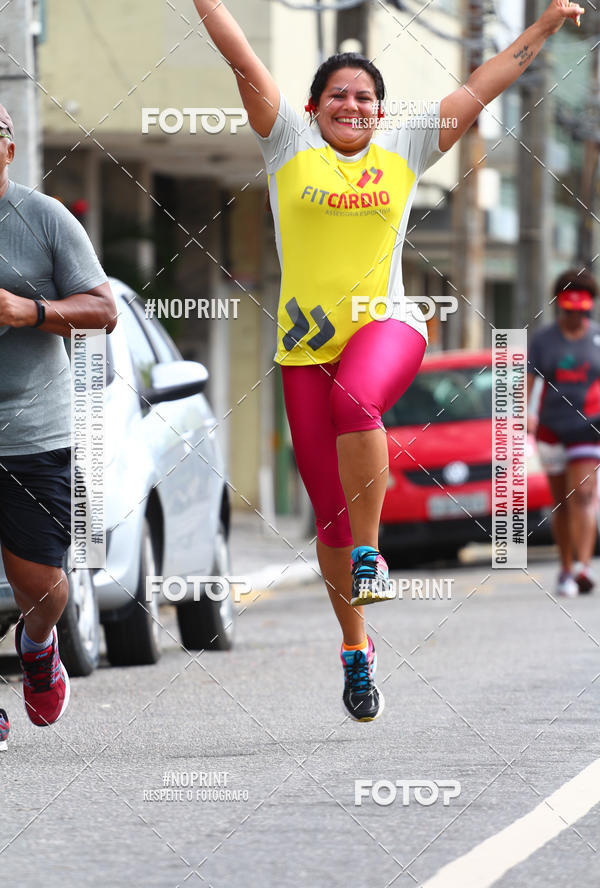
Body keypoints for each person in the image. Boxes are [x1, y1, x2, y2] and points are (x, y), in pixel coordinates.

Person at [193, 0, 584, 721]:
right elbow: (243, 59)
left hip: (389, 325)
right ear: (312, 108)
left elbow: (484, 84)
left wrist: (542, 28)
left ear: (380, 111)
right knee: (330, 522)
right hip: (304, 349)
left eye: (365, 97)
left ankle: (373, 557)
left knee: (358, 404)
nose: (353, 104)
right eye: (338, 94)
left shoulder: (403, 145)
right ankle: (355, 649)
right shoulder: (286, 142)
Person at [0, 104, 116, 737]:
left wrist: (29, 311)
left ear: (9, 149)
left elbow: (104, 309)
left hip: (32, 433)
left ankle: (39, 648)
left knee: (43, 588)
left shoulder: (42, 219)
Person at [527, 268, 600, 598]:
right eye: (569, 311)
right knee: (561, 502)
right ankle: (566, 568)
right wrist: (525, 415)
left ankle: (585, 568)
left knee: (584, 494)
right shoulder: (543, 340)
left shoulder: (598, 338)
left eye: (581, 311)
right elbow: (528, 383)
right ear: (559, 306)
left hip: (588, 427)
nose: (575, 318)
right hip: (550, 429)